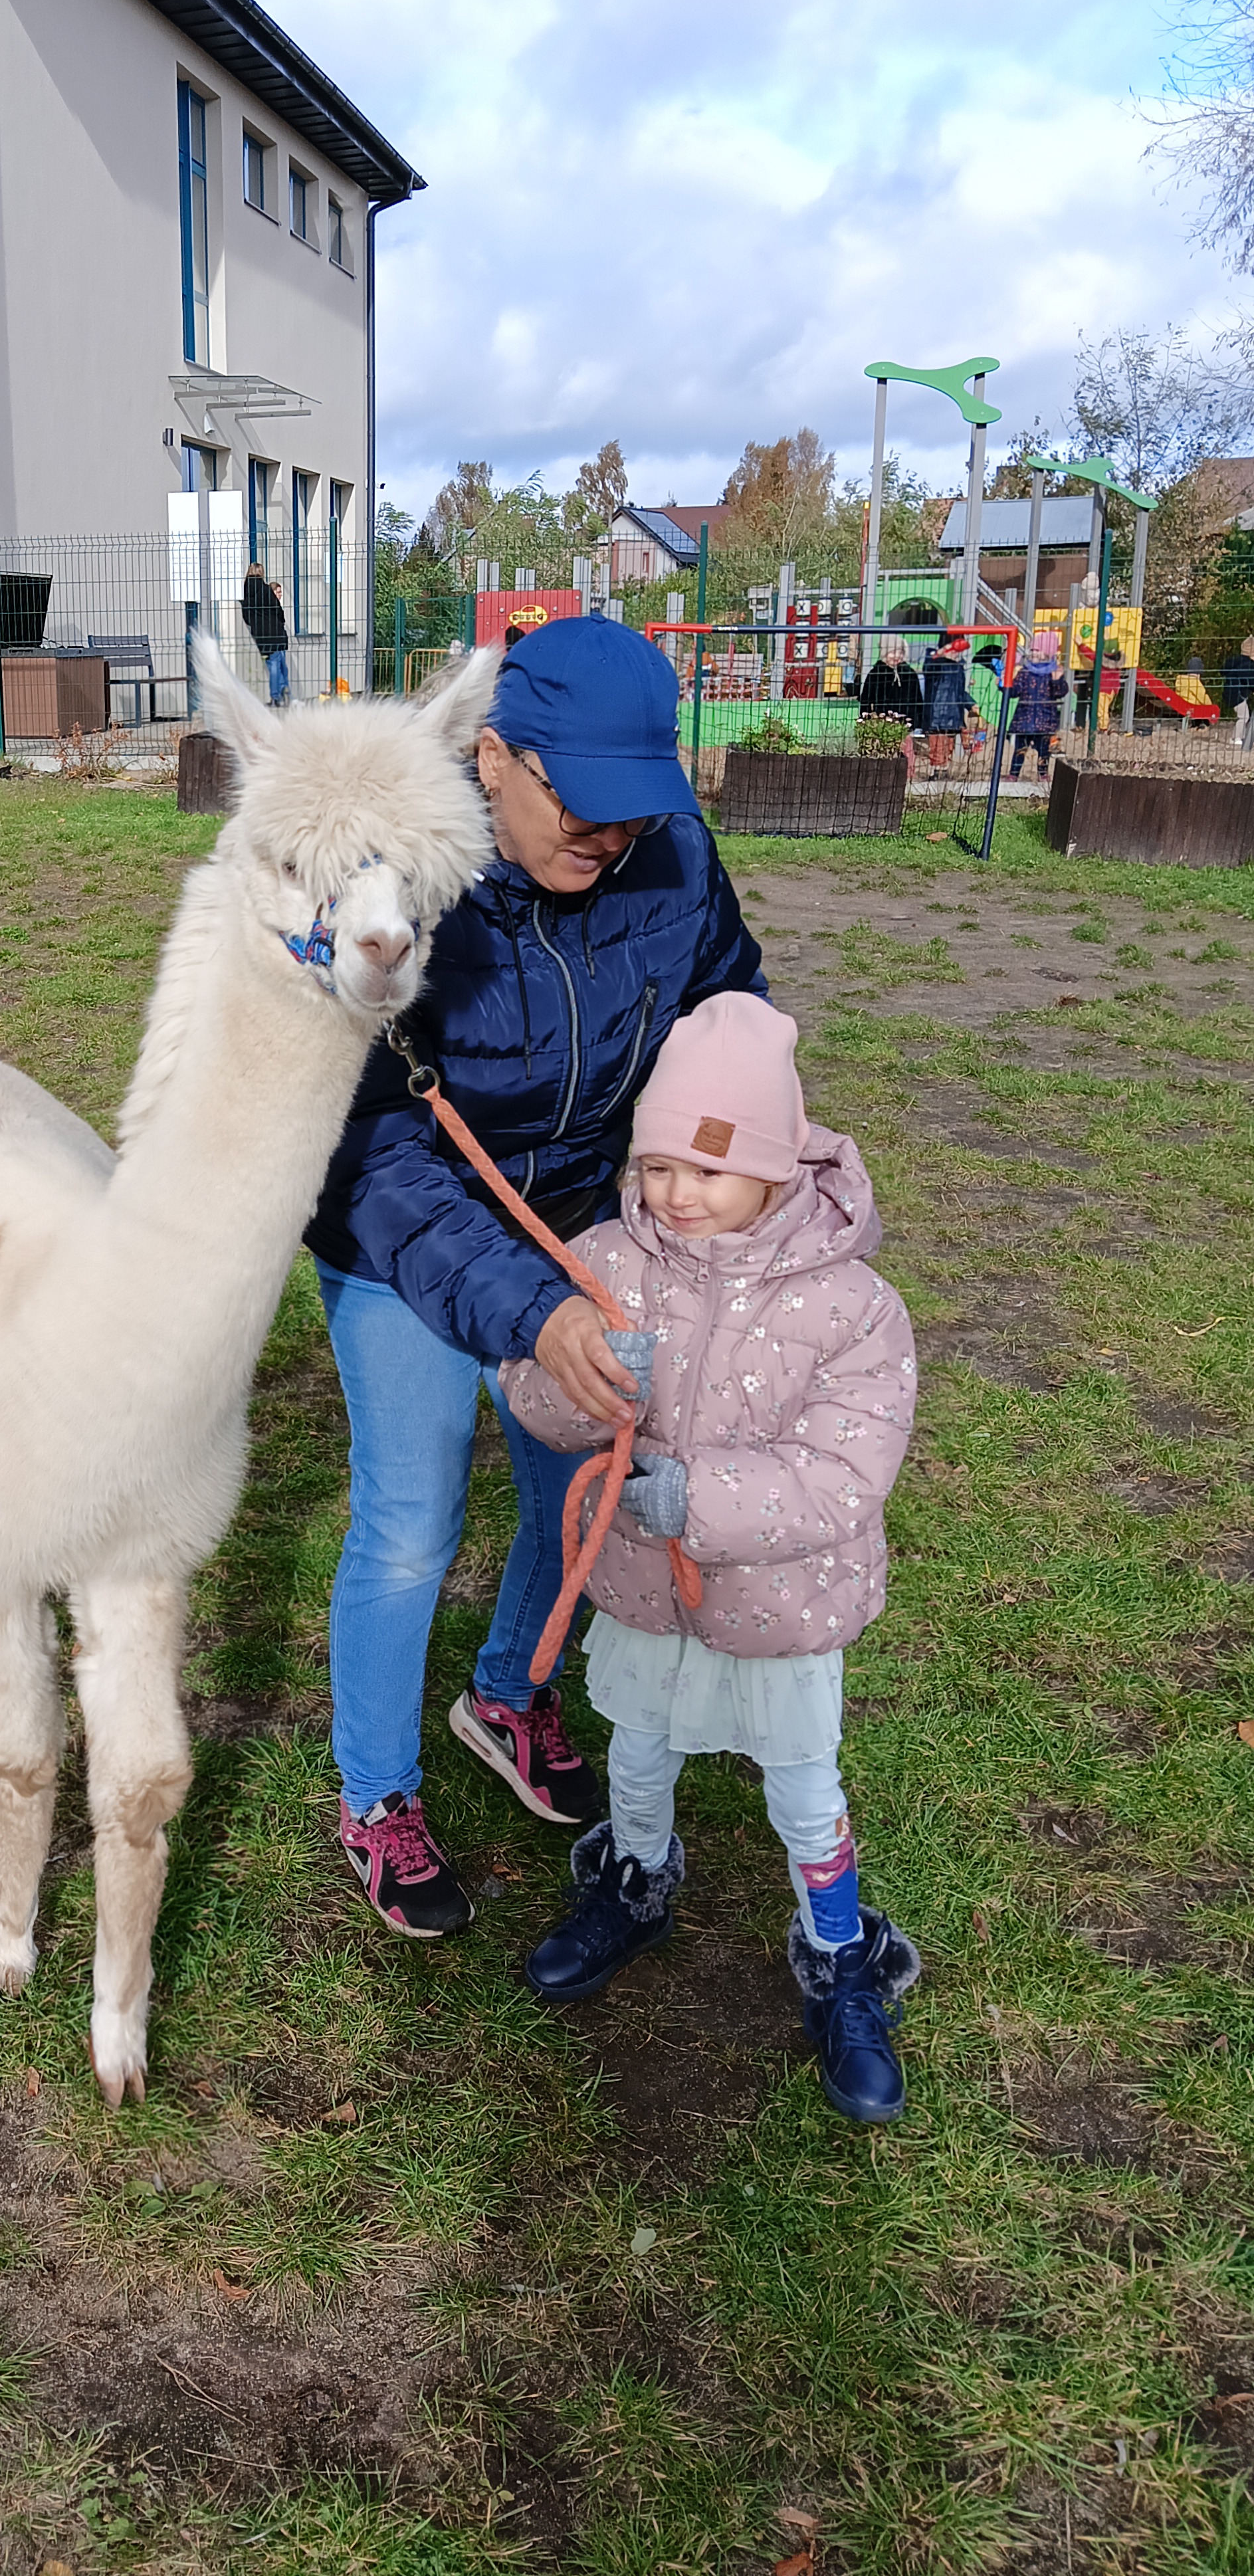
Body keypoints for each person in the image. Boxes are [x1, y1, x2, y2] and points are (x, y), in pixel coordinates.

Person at [305, 617, 768, 1937]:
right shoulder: (391, 889)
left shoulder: (670, 855)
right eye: (582, 802)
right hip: (401, 1239)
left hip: (575, 1224)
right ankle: (376, 1796)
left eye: (636, 805)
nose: (611, 835)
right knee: (412, 1520)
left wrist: (752, 1165)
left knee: (577, 1490)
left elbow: (730, 1016)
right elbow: (368, 1150)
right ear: (493, 758)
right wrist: (532, 1311)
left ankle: (508, 1694)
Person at [499, 994, 921, 2123]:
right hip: (645, 1594)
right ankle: (634, 1882)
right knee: (637, 1753)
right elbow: (531, 1393)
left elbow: (844, 1471)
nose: (677, 1194)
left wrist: (698, 1498)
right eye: (657, 1165)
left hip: (781, 1604)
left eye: (709, 1169)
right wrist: (582, 1384)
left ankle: (839, 1954)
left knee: (804, 1788)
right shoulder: (605, 1264)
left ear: (777, 1167)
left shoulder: (853, 1307)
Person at [857, 637, 924, 774]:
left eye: (900, 652)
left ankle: (906, 775)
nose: (897, 656)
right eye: (893, 652)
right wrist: (866, 719)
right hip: (881, 723)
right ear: (884, 653)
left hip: (904, 723)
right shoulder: (876, 674)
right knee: (883, 752)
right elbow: (866, 699)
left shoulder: (909, 674)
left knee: (905, 749)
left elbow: (917, 700)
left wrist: (917, 720)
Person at [1008, 629, 1068, 778]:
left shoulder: (1054, 672)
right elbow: (1014, 691)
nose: (1033, 653)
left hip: (1045, 721)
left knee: (1044, 751)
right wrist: (1004, 685)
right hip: (1024, 720)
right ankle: (1013, 774)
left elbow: (1060, 692)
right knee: (1020, 750)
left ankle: (1043, 774)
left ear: (1047, 653)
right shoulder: (1025, 672)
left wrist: (1057, 681)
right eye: (1032, 650)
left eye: (1038, 650)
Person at [241, 560, 290, 705]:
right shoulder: (266, 590)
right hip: (275, 632)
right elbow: (279, 611)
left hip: (260, 634)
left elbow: (246, 616)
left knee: (271, 663)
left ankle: (279, 694)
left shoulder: (246, 593)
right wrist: (280, 621)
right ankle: (279, 695)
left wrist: (256, 625)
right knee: (276, 665)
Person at [921, 632, 971, 774]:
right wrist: (942, 652)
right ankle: (937, 770)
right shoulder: (936, 664)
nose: (955, 653)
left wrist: (970, 703)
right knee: (937, 744)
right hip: (936, 711)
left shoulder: (959, 667)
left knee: (949, 745)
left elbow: (960, 691)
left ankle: (945, 769)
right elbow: (927, 669)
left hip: (953, 712)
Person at [1223, 633, 1254, 748]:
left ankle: (1236, 737)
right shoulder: (1247, 665)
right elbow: (1250, 680)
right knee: (1244, 717)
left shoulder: (1236, 663)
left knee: (1244, 716)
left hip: (1232, 694)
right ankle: (1237, 738)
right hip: (1238, 695)